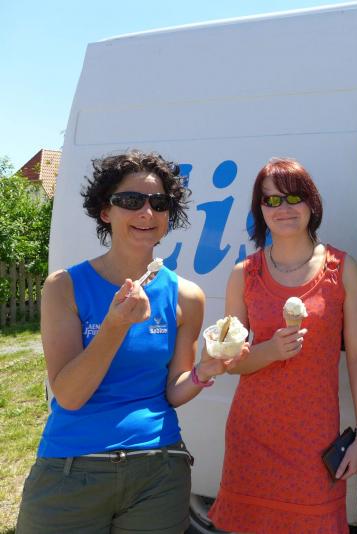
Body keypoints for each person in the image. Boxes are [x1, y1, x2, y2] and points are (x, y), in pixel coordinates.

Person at [16, 150, 242, 534]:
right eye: (131, 200)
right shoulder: (64, 287)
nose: (147, 212)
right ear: (106, 211)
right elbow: (68, 395)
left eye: (159, 203)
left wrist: (205, 371)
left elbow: (173, 391)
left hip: (158, 470)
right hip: (72, 469)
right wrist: (114, 326)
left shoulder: (187, 296)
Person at [208, 157, 357, 533]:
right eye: (271, 200)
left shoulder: (341, 268)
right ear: (260, 210)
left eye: (294, 197)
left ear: (311, 203)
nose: (283, 208)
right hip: (252, 435)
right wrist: (269, 351)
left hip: (315, 438)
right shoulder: (244, 274)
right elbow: (229, 361)